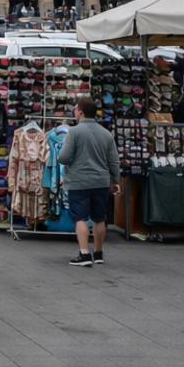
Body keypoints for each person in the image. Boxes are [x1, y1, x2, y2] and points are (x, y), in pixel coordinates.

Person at [60, 95, 121, 267]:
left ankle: (84, 253)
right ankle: (99, 253)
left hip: (79, 181)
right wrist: (115, 181)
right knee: (99, 218)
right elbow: (114, 161)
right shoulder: (106, 134)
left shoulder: (74, 132)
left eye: (75, 109)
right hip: (101, 181)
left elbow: (63, 157)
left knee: (80, 218)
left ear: (80, 112)